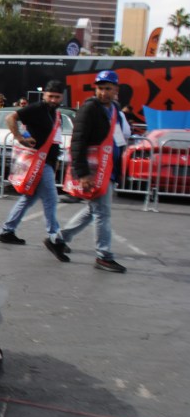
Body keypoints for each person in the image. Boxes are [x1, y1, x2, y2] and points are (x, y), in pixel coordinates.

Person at [58, 70, 131, 273]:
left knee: (94, 210)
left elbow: (119, 138)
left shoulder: (114, 109)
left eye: (108, 88)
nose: (103, 92)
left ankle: (59, 239)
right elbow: (78, 141)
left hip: (109, 168)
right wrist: (82, 173)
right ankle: (104, 256)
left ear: (116, 90)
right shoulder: (90, 108)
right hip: (95, 170)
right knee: (102, 213)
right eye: (100, 88)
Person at [0, 80, 68, 259]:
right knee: (51, 198)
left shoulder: (54, 113)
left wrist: (55, 162)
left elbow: (54, 139)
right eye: (50, 96)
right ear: (44, 95)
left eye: (57, 97)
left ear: (62, 97)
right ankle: (54, 237)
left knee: (29, 198)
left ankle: (6, 230)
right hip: (38, 162)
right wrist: (19, 137)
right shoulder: (37, 108)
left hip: (46, 161)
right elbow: (10, 118)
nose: (53, 100)